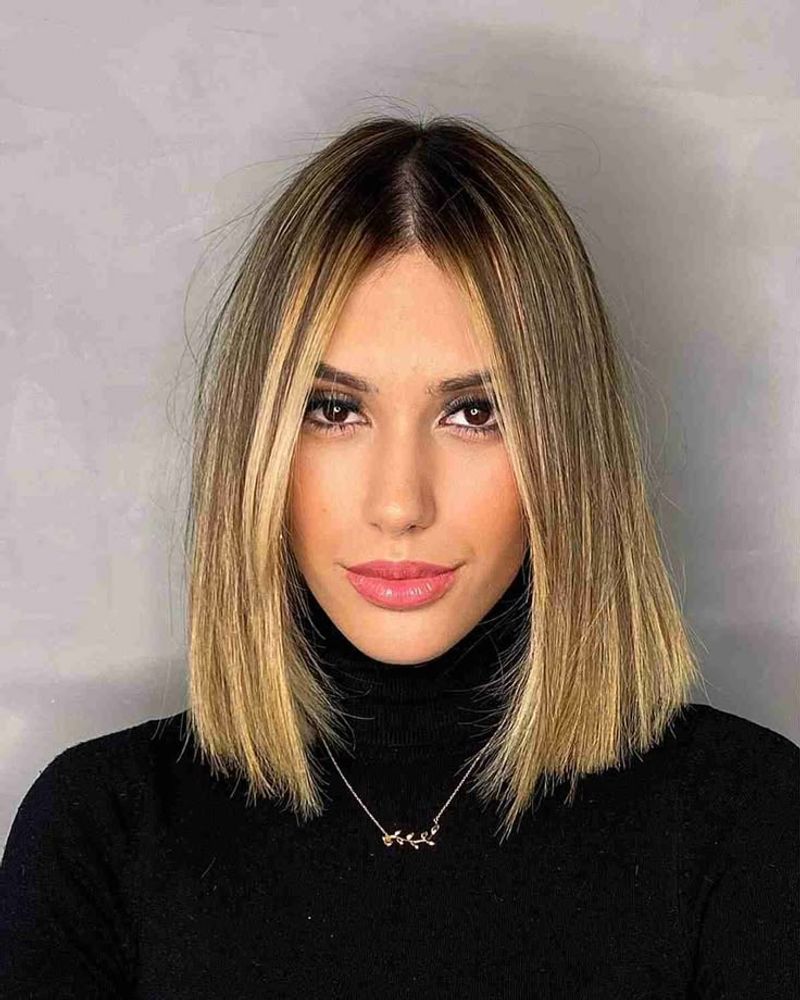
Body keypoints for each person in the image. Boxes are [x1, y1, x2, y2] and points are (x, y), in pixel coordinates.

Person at [1, 114, 797, 998]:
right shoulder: (102, 833)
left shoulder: (749, 823)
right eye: (336, 411)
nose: (399, 505)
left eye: (474, 414)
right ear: (257, 445)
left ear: (570, 451)